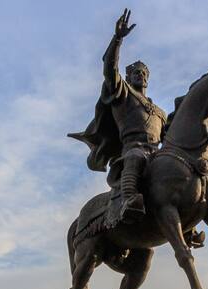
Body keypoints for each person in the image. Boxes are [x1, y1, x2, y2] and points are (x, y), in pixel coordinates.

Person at [68, 9, 169, 229]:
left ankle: (188, 227)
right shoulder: (123, 94)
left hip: (157, 155)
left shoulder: (160, 112)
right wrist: (118, 39)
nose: (139, 76)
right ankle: (129, 198)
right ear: (129, 77)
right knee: (135, 155)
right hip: (132, 151)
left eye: (143, 74)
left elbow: (172, 137)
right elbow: (109, 69)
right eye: (135, 73)